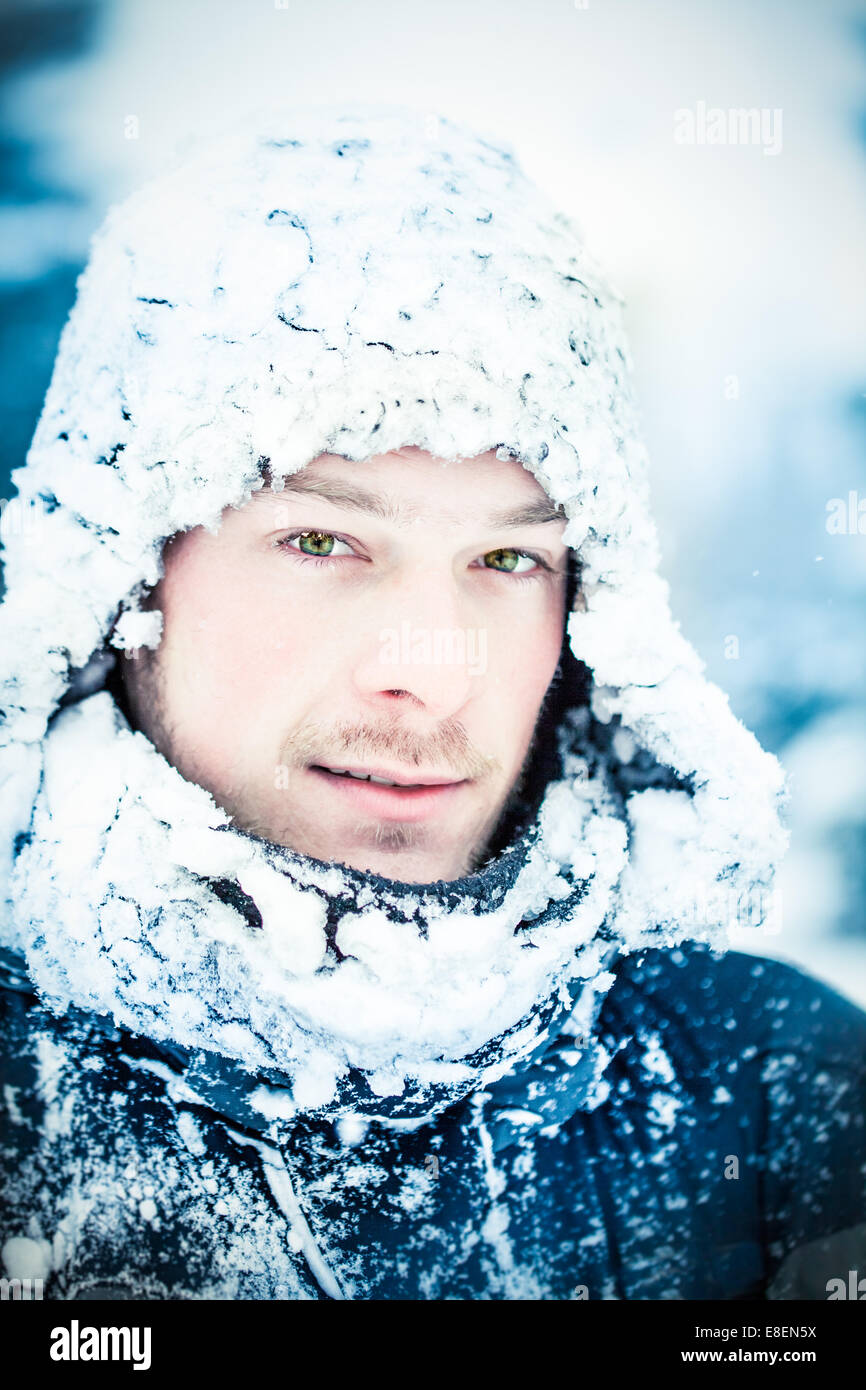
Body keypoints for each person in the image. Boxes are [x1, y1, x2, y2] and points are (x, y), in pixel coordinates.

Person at [0, 103, 864, 1302]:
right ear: (125, 574)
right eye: (321, 538)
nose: (432, 669)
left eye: (507, 561)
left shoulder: (783, 1099)